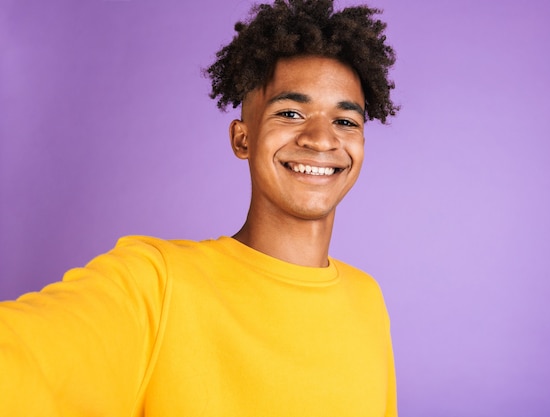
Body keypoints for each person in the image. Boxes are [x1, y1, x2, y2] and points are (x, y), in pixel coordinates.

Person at [0, 0, 399, 415]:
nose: (321, 138)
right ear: (242, 139)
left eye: (346, 121)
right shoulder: (155, 285)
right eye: (291, 112)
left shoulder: (367, 299)